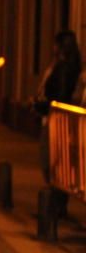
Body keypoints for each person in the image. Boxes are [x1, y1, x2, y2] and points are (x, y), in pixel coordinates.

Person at [36, 30, 80, 215]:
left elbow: (59, 95)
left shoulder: (63, 68)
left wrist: (43, 105)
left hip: (56, 119)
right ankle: (57, 204)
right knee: (57, 162)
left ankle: (56, 206)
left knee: (52, 160)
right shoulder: (66, 66)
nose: (52, 47)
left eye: (56, 44)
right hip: (56, 117)